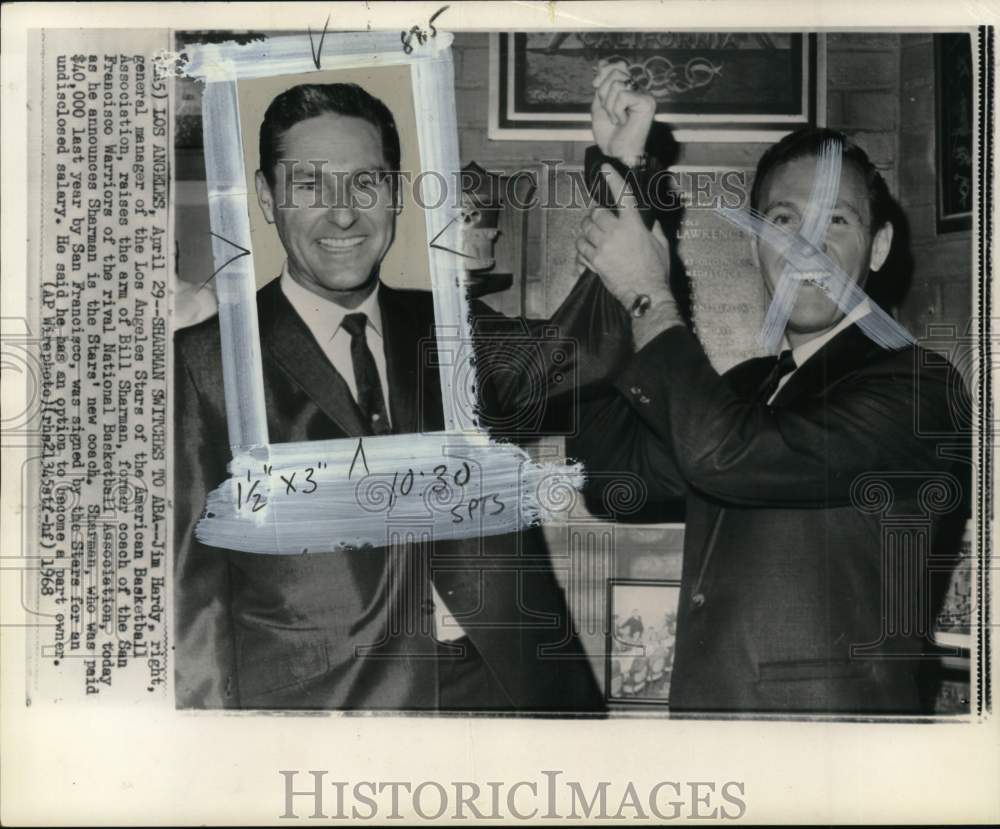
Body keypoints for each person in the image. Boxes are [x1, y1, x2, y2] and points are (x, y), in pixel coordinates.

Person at [173, 71, 657, 711]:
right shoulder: (204, 360)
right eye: (310, 184)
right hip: (330, 717)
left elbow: (585, 349)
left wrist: (623, 166)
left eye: (366, 182)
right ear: (267, 197)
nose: (342, 213)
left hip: (509, 695)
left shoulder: (452, 326)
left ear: (397, 194)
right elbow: (189, 596)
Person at [570, 108, 969, 713]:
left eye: (835, 219)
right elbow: (612, 476)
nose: (805, 244)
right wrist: (625, 204)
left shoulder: (920, 387)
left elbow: (726, 454)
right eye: (782, 220)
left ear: (879, 246)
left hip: (829, 763)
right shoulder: (753, 385)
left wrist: (648, 292)